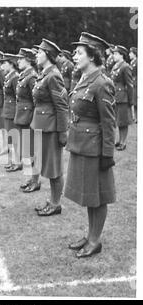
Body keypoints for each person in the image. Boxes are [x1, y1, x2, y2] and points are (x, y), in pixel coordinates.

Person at [64, 32, 116, 258]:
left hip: (94, 149)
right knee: (89, 196)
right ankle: (90, 235)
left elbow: (108, 122)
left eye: (79, 53)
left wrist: (107, 154)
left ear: (92, 56)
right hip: (81, 145)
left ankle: (95, 240)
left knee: (98, 196)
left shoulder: (102, 83)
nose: (75, 56)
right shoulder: (85, 79)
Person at [32, 39, 68, 216]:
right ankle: (53, 200)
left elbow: (62, 106)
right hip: (43, 125)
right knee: (48, 166)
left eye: (39, 52)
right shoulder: (45, 73)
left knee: (54, 168)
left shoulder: (53, 75)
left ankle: (56, 203)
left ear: (47, 55)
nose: (36, 55)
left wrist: (62, 132)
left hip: (52, 128)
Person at [14, 48, 40, 193]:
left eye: (20, 58)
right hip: (23, 117)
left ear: (28, 60)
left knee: (34, 151)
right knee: (28, 151)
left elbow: (36, 100)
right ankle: (32, 178)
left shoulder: (32, 77)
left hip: (29, 118)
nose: (18, 61)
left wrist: (34, 120)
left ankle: (35, 181)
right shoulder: (25, 75)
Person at [0, 53, 21, 172]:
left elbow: (18, 97)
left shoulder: (15, 77)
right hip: (8, 109)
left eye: (5, 63)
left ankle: (17, 161)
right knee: (11, 137)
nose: (3, 65)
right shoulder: (10, 76)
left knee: (15, 137)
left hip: (13, 110)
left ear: (11, 64)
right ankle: (14, 160)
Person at [111, 45, 134, 151]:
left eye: (116, 54)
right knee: (119, 121)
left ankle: (123, 142)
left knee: (123, 121)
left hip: (123, 97)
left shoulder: (125, 66)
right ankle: (120, 140)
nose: (113, 56)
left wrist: (131, 100)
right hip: (116, 96)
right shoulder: (116, 66)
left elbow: (130, 85)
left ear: (122, 55)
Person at [129, 47, 137, 123]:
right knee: (134, 102)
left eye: (131, 53)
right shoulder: (132, 62)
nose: (129, 54)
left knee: (136, 102)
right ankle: (134, 117)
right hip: (133, 82)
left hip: (136, 83)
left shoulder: (137, 62)